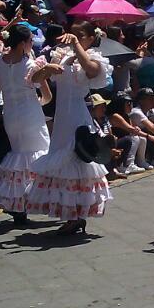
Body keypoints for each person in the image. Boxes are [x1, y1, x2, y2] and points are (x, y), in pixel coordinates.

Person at [26, 22, 113, 235]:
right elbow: (34, 80)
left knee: (77, 162)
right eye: (71, 33)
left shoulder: (92, 56)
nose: (72, 37)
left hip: (78, 116)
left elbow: (93, 72)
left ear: (91, 37)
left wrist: (76, 46)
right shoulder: (60, 55)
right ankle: (71, 216)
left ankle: (78, 215)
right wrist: (46, 69)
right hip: (62, 117)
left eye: (79, 34)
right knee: (60, 163)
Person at [0, 24, 50, 224]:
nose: (32, 44)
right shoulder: (31, 65)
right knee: (41, 155)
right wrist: (37, 103)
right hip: (30, 114)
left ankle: (18, 207)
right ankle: (38, 201)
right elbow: (47, 96)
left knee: (18, 160)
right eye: (31, 41)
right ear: (23, 43)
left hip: (10, 115)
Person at [106, 93, 149, 175]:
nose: (130, 105)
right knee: (133, 138)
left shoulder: (127, 116)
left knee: (142, 138)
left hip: (124, 141)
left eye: (131, 103)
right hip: (116, 143)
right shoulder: (116, 116)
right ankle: (127, 164)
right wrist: (148, 136)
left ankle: (141, 161)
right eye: (127, 103)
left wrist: (147, 135)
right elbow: (131, 129)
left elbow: (134, 128)